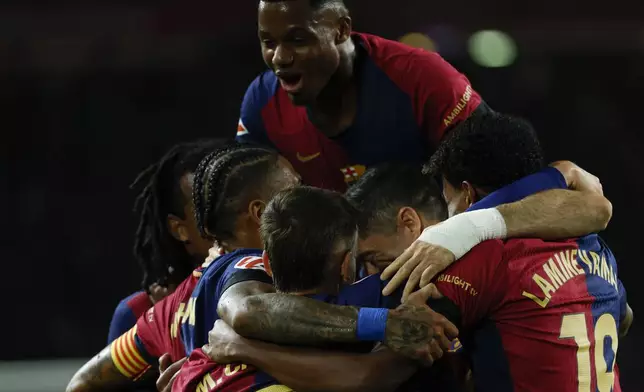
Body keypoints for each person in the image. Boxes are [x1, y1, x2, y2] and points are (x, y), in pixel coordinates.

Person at [348, 114, 633, 390]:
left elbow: (376, 373)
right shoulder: (596, 248)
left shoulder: (485, 259)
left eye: (449, 203)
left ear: (467, 194)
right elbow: (624, 317)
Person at [174, 186, 460, 392]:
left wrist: (241, 347)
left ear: (267, 265)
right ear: (347, 265)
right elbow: (366, 376)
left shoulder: (203, 357)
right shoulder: (392, 298)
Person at [236, 0, 486, 192]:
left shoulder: (426, 80)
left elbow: (502, 176)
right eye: (268, 42)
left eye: (298, 40)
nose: (279, 58)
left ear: (341, 30)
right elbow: (247, 207)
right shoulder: (262, 104)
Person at [66, 143, 238, 392]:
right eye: (206, 207)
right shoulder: (140, 315)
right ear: (179, 229)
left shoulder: (278, 287)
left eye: (231, 200)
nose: (224, 216)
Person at [108, 140, 226, 344]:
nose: (232, 219)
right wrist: (167, 327)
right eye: (211, 208)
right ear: (180, 229)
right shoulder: (138, 315)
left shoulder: (284, 289)